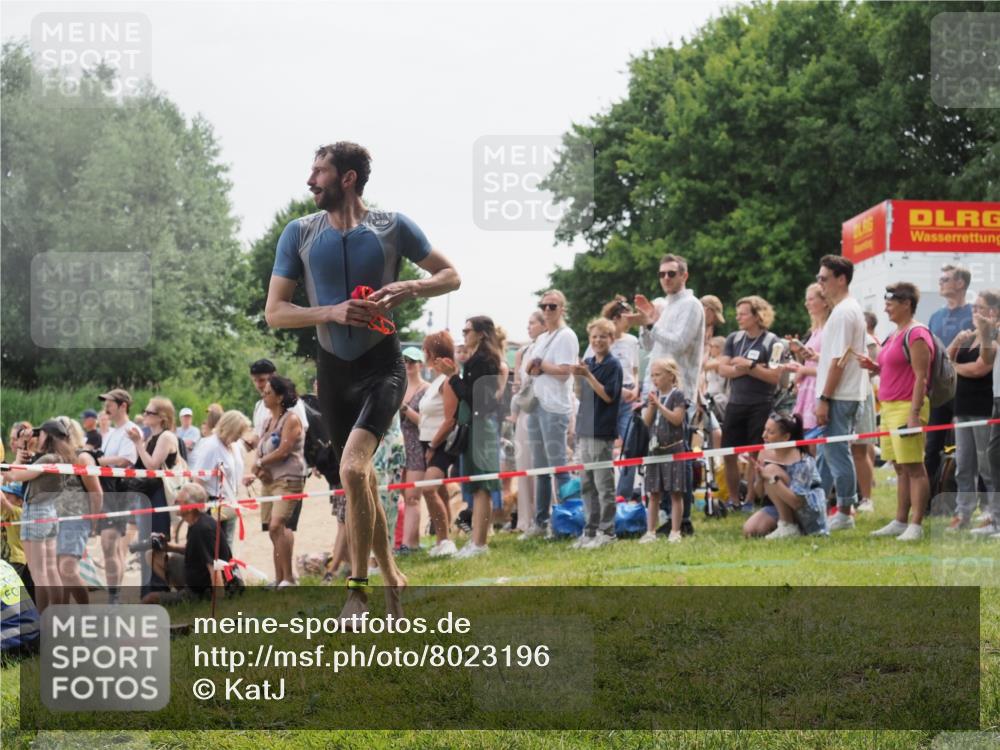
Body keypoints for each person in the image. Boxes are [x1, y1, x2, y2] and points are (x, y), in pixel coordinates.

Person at [264, 142, 460, 619]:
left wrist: (410, 285)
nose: (310, 181)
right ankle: (392, 574)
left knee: (352, 469)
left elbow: (451, 275)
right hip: (333, 372)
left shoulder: (392, 226)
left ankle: (357, 588)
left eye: (319, 172)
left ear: (347, 178)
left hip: (382, 366)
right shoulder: (300, 232)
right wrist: (330, 310)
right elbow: (275, 312)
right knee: (361, 478)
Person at [629, 254, 705, 528]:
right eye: (662, 274)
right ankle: (661, 515)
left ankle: (681, 520)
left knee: (677, 455)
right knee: (655, 452)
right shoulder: (664, 305)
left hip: (679, 389)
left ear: (684, 276)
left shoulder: (692, 305)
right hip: (655, 389)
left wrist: (651, 323)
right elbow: (650, 347)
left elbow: (679, 343)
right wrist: (644, 324)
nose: (666, 279)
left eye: (671, 273)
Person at [857, 283, 933, 541]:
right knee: (900, 467)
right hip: (889, 407)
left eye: (891, 302)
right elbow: (895, 368)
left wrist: (914, 413)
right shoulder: (894, 334)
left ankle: (916, 524)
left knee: (914, 467)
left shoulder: (917, 333)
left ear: (907, 304)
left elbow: (921, 376)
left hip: (906, 407)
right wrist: (875, 367)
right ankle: (900, 521)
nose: (886, 307)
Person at [443, 317, 503, 558]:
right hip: (474, 426)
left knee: (482, 487)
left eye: (467, 330)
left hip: (481, 426)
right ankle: (477, 541)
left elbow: (475, 398)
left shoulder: (485, 360)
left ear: (480, 333)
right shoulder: (477, 358)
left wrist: (453, 377)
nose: (464, 334)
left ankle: (479, 543)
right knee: (477, 487)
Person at [814, 255, 867, 532]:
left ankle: (845, 510)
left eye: (823, 278)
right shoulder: (844, 310)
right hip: (841, 393)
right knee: (828, 452)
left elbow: (838, 360)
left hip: (840, 396)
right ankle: (818, 506)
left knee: (837, 453)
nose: (819, 283)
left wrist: (824, 398)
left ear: (841, 279)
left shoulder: (846, 311)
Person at [5, 419, 79, 612]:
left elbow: (14, 475)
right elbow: (26, 468)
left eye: (41, 433)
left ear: (49, 436)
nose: (38, 436)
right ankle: (58, 614)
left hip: (36, 511)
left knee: (38, 574)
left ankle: (43, 619)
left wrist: (20, 456)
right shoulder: (60, 457)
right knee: (51, 570)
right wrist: (23, 448)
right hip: (49, 511)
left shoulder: (47, 460)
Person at [717, 296, 783, 512]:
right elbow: (722, 369)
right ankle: (734, 499)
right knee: (728, 452)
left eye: (743, 313)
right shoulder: (734, 339)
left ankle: (750, 500)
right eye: (737, 314)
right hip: (735, 403)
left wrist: (749, 366)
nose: (738, 318)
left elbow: (774, 377)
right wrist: (745, 369)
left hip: (760, 404)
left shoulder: (774, 342)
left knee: (755, 453)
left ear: (757, 316)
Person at [523, 290, 580, 538]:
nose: (547, 310)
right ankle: (541, 522)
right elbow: (533, 370)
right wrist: (533, 367)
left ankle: (570, 517)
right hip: (537, 403)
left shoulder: (567, 336)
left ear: (562, 309)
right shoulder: (544, 337)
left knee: (559, 467)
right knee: (540, 468)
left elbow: (565, 372)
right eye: (543, 306)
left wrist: (541, 365)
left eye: (552, 306)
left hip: (555, 407)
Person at [244, 375, 307, 588]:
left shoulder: (292, 419)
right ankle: (280, 577)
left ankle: (289, 577)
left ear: (280, 397)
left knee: (278, 525)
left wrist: (259, 463)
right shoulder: (267, 421)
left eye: (268, 392)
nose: (264, 394)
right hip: (269, 481)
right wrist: (259, 469)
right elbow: (261, 449)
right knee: (272, 530)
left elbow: (284, 450)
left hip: (289, 478)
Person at [946, 291, 997, 531]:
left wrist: (955, 367)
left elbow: (981, 368)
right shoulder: (970, 336)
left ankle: (991, 512)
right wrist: (956, 342)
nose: (974, 311)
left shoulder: (992, 336)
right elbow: (945, 363)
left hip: (983, 407)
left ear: (993, 311)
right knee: (963, 463)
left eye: (980, 307)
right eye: (974, 307)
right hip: (962, 406)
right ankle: (963, 512)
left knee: (987, 464)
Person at [142, 483, 242, 605]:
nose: (174, 504)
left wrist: (219, 606)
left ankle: (188, 598)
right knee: (152, 555)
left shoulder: (202, 529)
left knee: (150, 598)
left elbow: (215, 568)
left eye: (178, 501)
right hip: (198, 577)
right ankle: (181, 593)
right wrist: (167, 546)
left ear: (190, 507)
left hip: (206, 589)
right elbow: (194, 550)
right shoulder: (196, 521)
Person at [572, 318, 623, 549]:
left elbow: (608, 396)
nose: (598, 340)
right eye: (594, 337)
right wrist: (578, 375)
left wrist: (588, 375)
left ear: (611, 339)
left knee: (603, 484)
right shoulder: (590, 362)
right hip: (584, 428)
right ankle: (590, 530)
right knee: (586, 483)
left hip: (601, 431)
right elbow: (581, 395)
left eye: (603, 336)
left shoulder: (613, 365)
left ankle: (607, 531)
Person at [587, 297, 641, 503]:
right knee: (604, 447)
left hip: (628, 396)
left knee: (629, 446)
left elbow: (634, 369)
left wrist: (635, 387)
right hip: (607, 398)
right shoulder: (599, 343)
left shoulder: (632, 341)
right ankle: (603, 494)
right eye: (628, 317)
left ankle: (623, 494)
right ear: (617, 318)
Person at [743, 413, 829, 539]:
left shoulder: (803, 461)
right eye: (764, 430)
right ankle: (786, 524)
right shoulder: (765, 452)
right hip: (780, 505)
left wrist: (773, 478)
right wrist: (760, 477)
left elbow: (797, 503)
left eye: (770, 432)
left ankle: (789, 526)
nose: (763, 436)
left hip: (807, 511)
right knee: (750, 530)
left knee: (771, 470)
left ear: (786, 437)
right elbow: (760, 494)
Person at [925, 264, 974, 484]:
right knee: (931, 446)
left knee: (968, 448)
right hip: (939, 391)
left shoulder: (975, 314)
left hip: (966, 389)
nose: (940, 282)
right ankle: (928, 502)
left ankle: (968, 500)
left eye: (945, 279)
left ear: (960, 283)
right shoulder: (935, 317)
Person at [95, 388, 138, 604]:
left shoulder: (131, 429)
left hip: (120, 492)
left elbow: (125, 460)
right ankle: (115, 595)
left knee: (109, 544)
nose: (106, 407)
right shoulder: (112, 432)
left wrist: (95, 461)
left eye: (110, 402)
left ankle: (114, 597)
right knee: (112, 547)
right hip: (108, 492)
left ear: (123, 405)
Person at [53, 417, 102, 605]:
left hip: (77, 520)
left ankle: (84, 614)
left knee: (67, 570)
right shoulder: (57, 459)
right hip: (56, 519)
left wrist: (93, 523)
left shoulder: (82, 457)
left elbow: (96, 492)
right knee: (59, 572)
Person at [418, 332, 459, 557]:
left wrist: (433, 446)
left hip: (440, 444)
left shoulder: (446, 382)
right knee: (440, 490)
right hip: (428, 442)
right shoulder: (435, 381)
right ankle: (443, 538)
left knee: (428, 489)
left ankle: (444, 540)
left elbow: (450, 419)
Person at [640, 358, 688, 544]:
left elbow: (677, 419)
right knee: (653, 493)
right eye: (652, 375)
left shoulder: (677, 395)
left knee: (676, 492)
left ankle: (675, 531)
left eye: (658, 374)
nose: (654, 379)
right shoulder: (653, 394)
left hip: (674, 449)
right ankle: (650, 531)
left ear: (670, 375)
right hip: (655, 450)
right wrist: (652, 406)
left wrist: (660, 405)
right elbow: (646, 422)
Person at [191, 410, 251, 549]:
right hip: (213, 504)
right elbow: (198, 479)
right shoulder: (211, 447)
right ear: (230, 428)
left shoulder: (233, 445)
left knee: (227, 545)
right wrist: (200, 511)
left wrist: (242, 479)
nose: (239, 437)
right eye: (238, 433)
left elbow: (232, 471)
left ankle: (228, 570)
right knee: (215, 547)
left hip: (230, 502)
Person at [511, 311, 545, 532]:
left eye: (532, 323)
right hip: (524, 409)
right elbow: (518, 382)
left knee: (540, 464)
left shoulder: (545, 346)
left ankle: (543, 516)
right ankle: (525, 518)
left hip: (542, 407)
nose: (529, 327)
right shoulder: (524, 351)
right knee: (523, 464)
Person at [785, 283, 830, 437]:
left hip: (819, 388)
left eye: (811, 299)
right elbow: (812, 360)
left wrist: (803, 370)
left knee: (816, 440)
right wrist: (799, 355)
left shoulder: (828, 329)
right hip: (809, 388)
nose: (806, 303)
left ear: (824, 302)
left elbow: (832, 367)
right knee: (808, 439)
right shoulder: (815, 330)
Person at [397, 346, 430, 553]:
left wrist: (404, 408)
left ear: (420, 364)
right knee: (399, 495)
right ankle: (405, 542)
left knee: (412, 496)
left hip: (417, 445)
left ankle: (411, 544)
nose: (408, 364)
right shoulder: (398, 387)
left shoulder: (426, 389)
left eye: (412, 360)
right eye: (405, 360)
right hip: (399, 447)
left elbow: (425, 423)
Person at [973, 296, 1000, 538]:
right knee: (993, 456)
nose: (977, 311)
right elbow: (988, 359)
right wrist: (985, 334)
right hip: (997, 399)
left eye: (980, 307)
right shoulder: (994, 330)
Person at [247, 360, 309, 450]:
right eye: (254, 381)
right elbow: (258, 437)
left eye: (261, 380)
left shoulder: (292, 402)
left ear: (274, 376)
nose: (258, 385)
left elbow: (300, 433)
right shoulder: (259, 406)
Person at [1, 483, 33, 600]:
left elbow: (3, 501)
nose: (5, 496)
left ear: (20, 501)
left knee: (15, 591)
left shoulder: (19, 512)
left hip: (16, 559)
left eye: (9, 495)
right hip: (7, 559)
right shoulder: (5, 513)